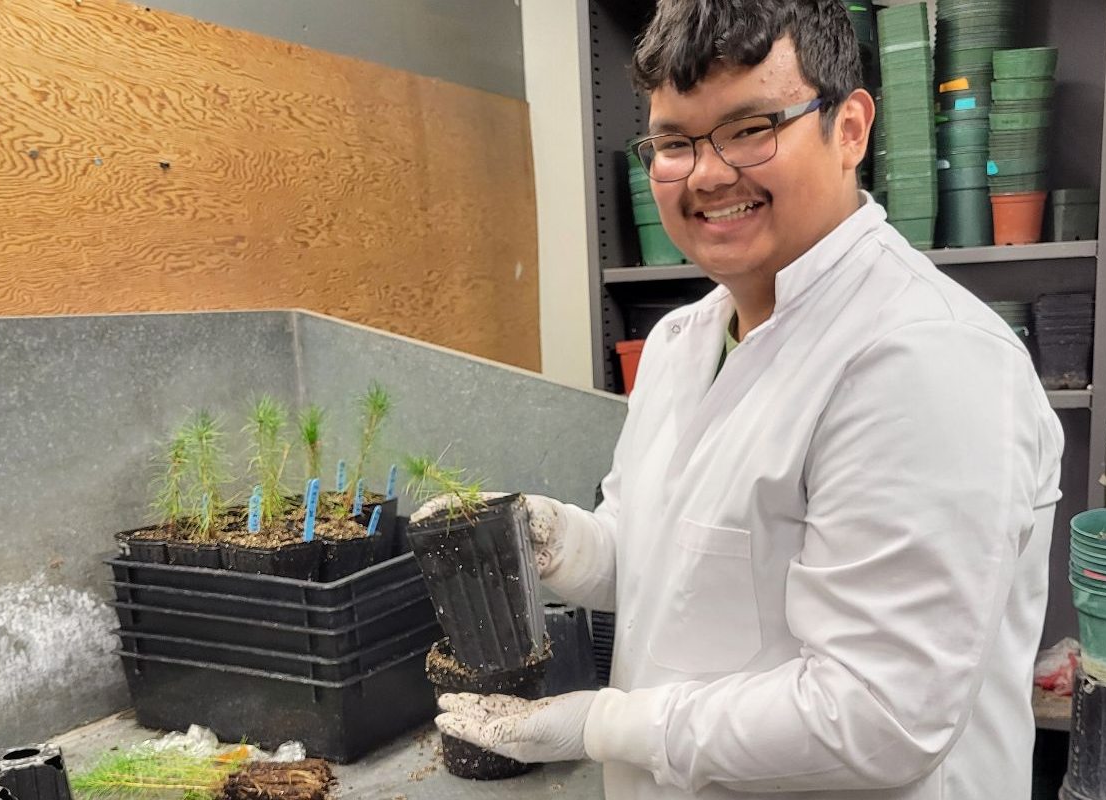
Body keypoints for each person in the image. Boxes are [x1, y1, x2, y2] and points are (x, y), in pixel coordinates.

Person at [423, 1, 1064, 798]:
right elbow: (667, 561)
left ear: (851, 129)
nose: (707, 173)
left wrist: (601, 725)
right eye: (674, 142)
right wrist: (554, 542)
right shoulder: (682, 343)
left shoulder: (925, 359)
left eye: (751, 127)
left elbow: (878, 716)